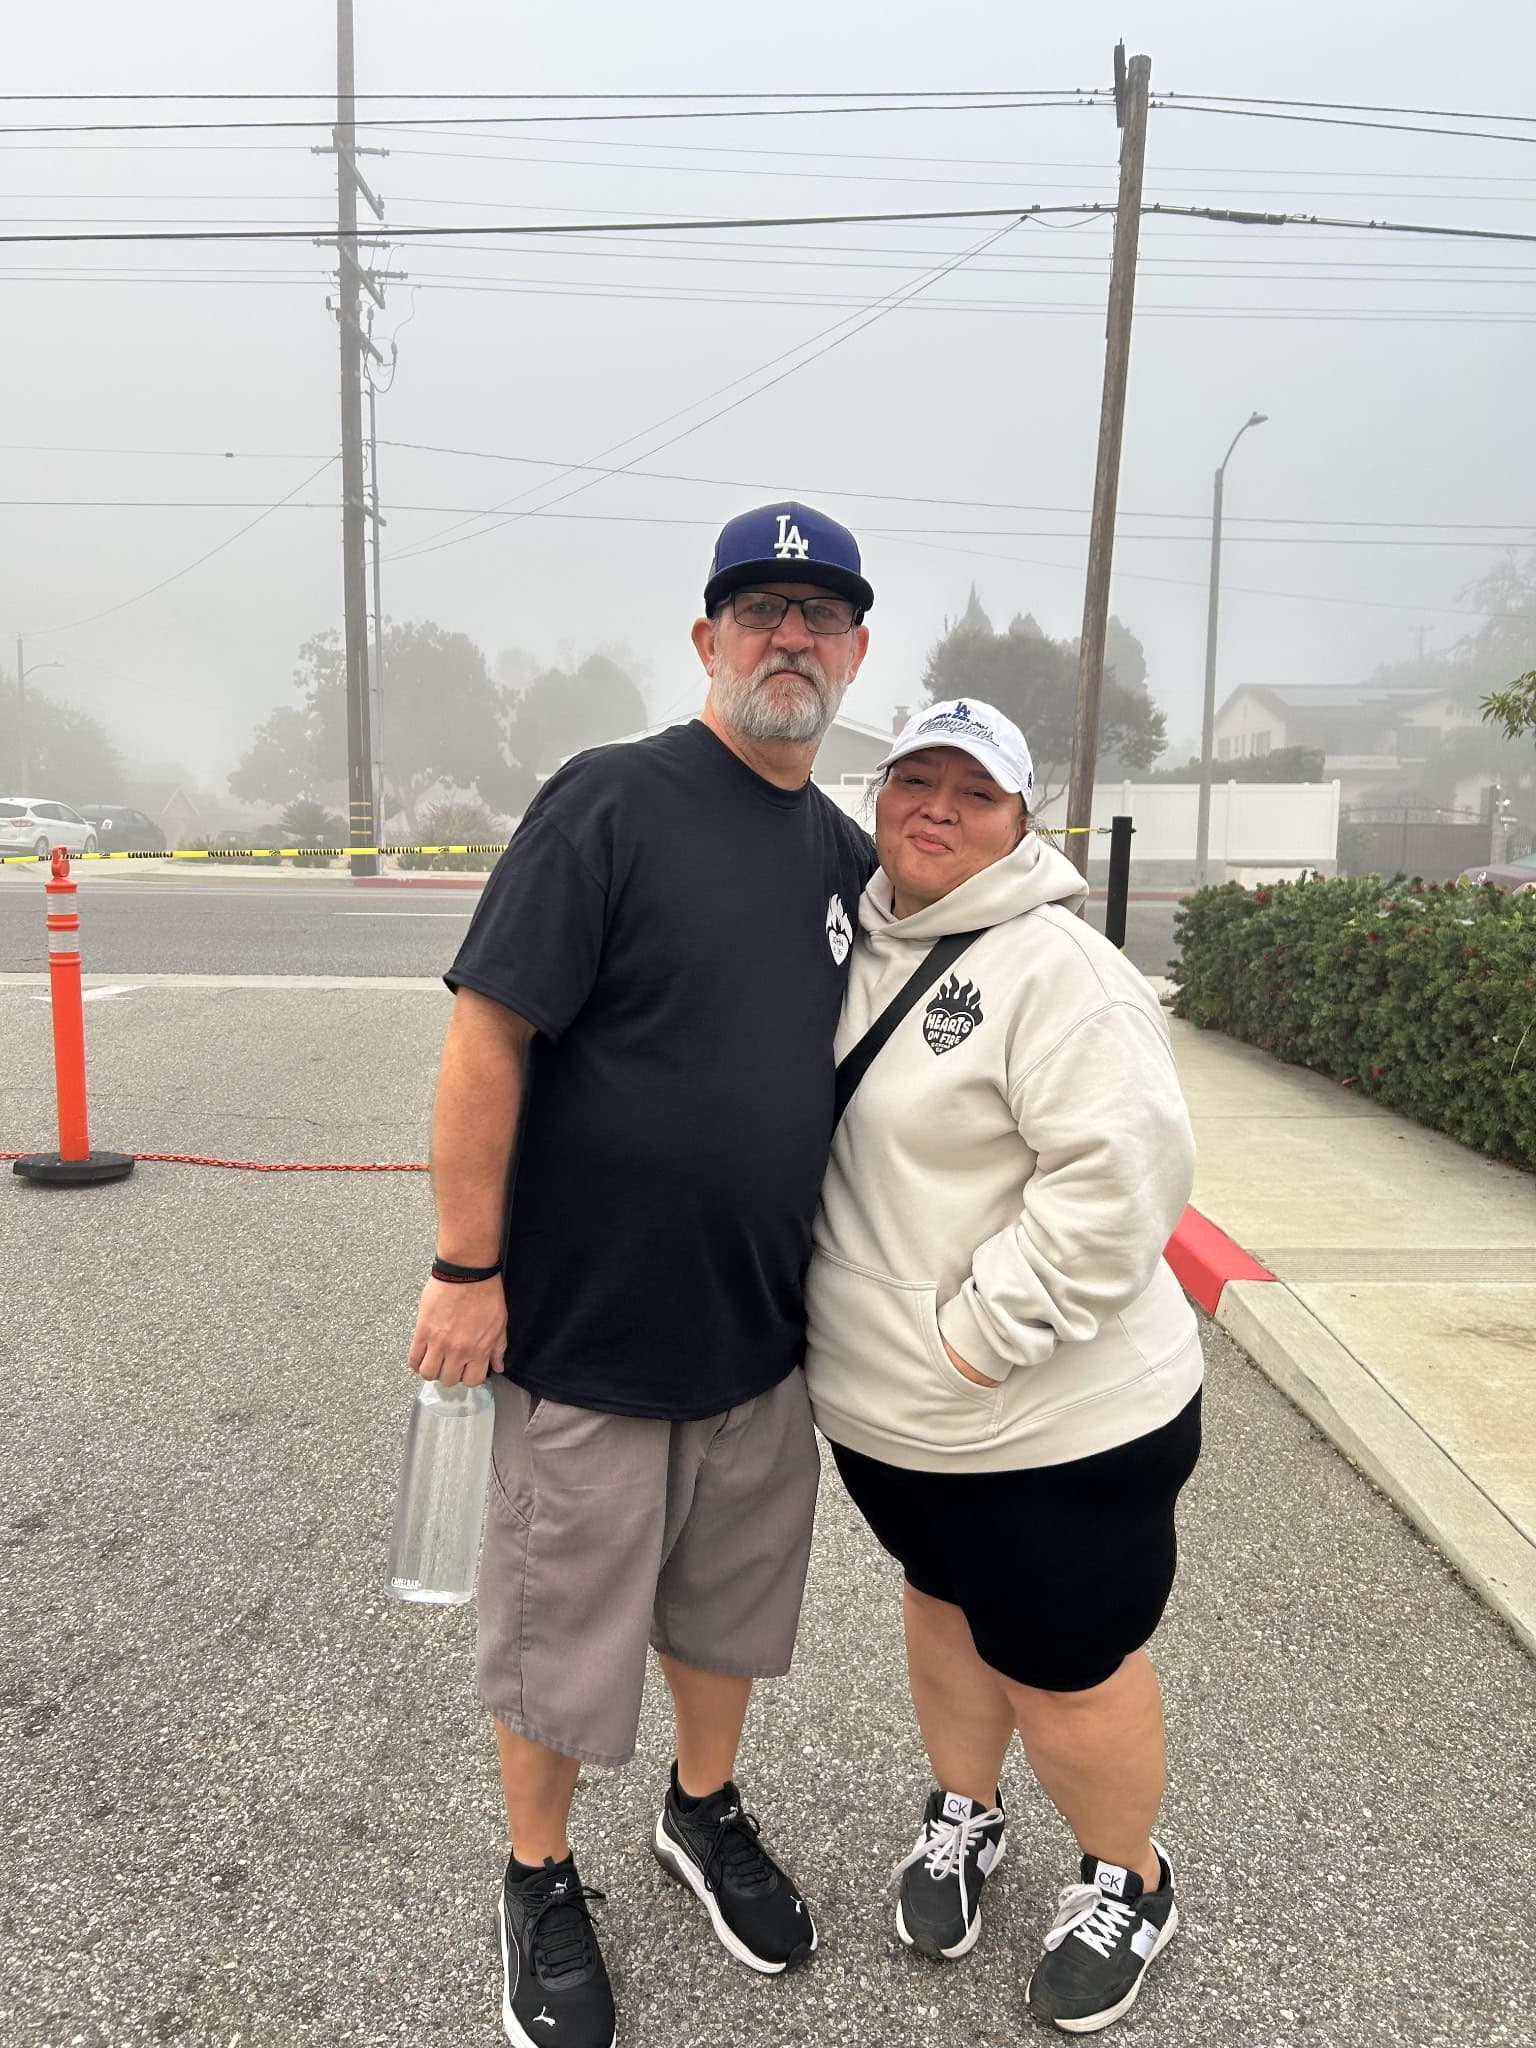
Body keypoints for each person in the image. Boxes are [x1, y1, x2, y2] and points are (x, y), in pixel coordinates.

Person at [408, 502, 876, 2048]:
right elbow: (489, 1031)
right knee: (559, 1628)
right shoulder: (610, 802)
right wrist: (465, 1265)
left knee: (725, 1610)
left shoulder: (844, 857)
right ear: (705, 640)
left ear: (856, 652)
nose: (790, 637)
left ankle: (701, 1806)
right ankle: (538, 1875)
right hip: (592, 1329)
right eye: (760, 610)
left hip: (760, 1336)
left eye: (820, 614)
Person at [804, 698, 1203, 2035]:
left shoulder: (1060, 971)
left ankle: (1129, 1877)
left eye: (974, 793)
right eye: (914, 780)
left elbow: (1120, 1188)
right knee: (942, 1604)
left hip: (1051, 1420)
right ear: (877, 798)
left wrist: (974, 1340)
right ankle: (964, 1812)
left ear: (1022, 820)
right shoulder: (851, 939)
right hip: (892, 1415)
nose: (937, 808)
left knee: (1063, 1665)